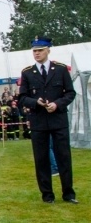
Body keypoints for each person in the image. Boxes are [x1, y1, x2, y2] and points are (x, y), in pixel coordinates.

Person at [18, 36, 77, 204]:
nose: (36, 53)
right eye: (34, 51)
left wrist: (57, 104)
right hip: (39, 121)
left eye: (40, 50)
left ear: (48, 50)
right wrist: (35, 102)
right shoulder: (27, 72)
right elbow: (22, 97)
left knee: (63, 157)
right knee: (41, 159)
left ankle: (68, 194)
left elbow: (70, 93)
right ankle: (47, 195)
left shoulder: (60, 69)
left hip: (58, 119)